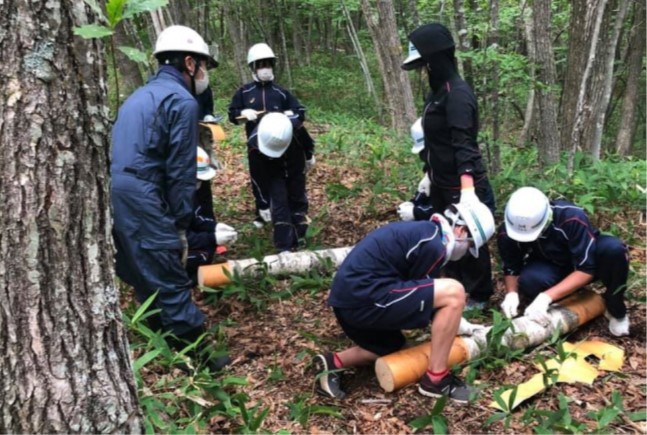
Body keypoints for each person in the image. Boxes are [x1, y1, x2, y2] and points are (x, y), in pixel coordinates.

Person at [110, 25, 230, 370]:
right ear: (189, 63)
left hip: (118, 190)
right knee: (167, 268)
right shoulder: (181, 100)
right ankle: (198, 354)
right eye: (203, 66)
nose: (204, 74)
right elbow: (181, 169)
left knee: (140, 267)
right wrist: (181, 221)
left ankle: (159, 339)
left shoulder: (139, 96)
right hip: (144, 192)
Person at [313, 201, 495, 402]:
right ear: (461, 230)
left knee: (393, 347)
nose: (466, 251)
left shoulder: (426, 233)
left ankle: (334, 362)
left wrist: (458, 324)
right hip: (364, 300)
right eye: (470, 244)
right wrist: (455, 314)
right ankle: (437, 380)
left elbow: (421, 292)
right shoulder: (434, 245)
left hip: (351, 303)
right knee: (454, 292)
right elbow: (433, 299)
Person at [402, 23, 496, 310]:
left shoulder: (457, 94)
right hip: (441, 181)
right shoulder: (436, 95)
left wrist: (468, 191)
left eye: (425, 66)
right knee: (446, 237)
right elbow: (436, 141)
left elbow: (463, 143)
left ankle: (479, 295)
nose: (423, 72)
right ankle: (453, 288)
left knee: (467, 240)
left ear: (434, 61)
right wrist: (428, 175)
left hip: (462, 184)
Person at [497, 187, 630, 336]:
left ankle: (615, 308)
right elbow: (511, 267)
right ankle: (572, 300)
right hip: (551, 265)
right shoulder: (508, 231)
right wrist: (511, 294)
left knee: (614, 250)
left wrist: (545, 297)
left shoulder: (570, 217)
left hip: (587, 261)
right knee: (530, 280)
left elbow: (586, 268)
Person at [228, 43, 315, 228]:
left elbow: (299, 112)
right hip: (256, 144)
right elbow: (232, 115)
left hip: (280, 144)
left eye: (268, 64)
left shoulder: (281, 92)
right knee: (258, 177)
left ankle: (295, 213)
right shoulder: (244, 92)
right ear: (253, 68)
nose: (265, 69)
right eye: (260, 65)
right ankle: (261, 209)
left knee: (287, 178)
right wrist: (243, 114)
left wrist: (288, 117)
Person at [247, 112, 311, 252]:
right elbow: (257, 177)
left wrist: (309, 156)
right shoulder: (254, 144)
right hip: (273, 174)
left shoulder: (295, 126)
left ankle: (301, 237)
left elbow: (307, 142)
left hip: (295, 167)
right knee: (279, 206)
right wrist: (262, 203)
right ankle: (284, 247)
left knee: (299, 200)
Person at [186, 147, 238, 285]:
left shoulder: (187, 194)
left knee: (208, 250)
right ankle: (183, 281)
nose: (200, 184)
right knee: (202, 255)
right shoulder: (168, 199)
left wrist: (215, 226)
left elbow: (196, 218)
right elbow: (177, 238)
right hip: (163, 252)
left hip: (179, 241)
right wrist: (212, 238)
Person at [397, 118, 435, 222]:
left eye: (425, 151)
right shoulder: (433, 167)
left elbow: (447, 208)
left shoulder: (456, 168)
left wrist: (416, 212)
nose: (423, 156)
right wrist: (414, 202)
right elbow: (429, 195)